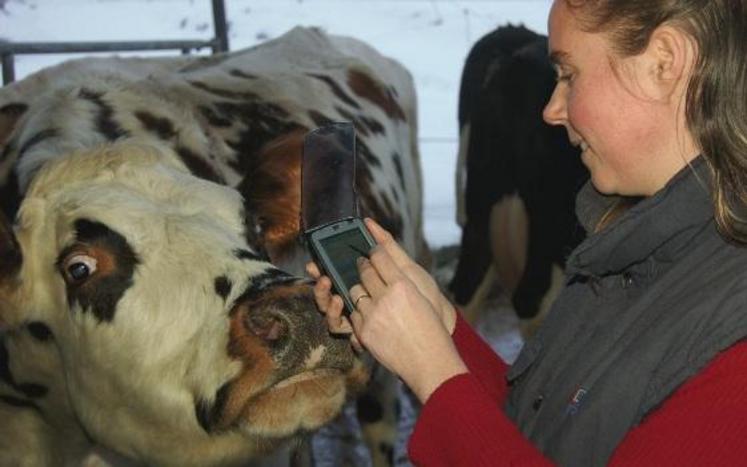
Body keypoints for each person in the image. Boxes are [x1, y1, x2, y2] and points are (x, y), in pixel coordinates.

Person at [307, 0, 747, 465]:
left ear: (664, 62)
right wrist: (440, 325)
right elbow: (540, 434)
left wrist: (432, 373)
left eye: (569, 75)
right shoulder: (635, 248)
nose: (552, 110)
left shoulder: (734, 340)